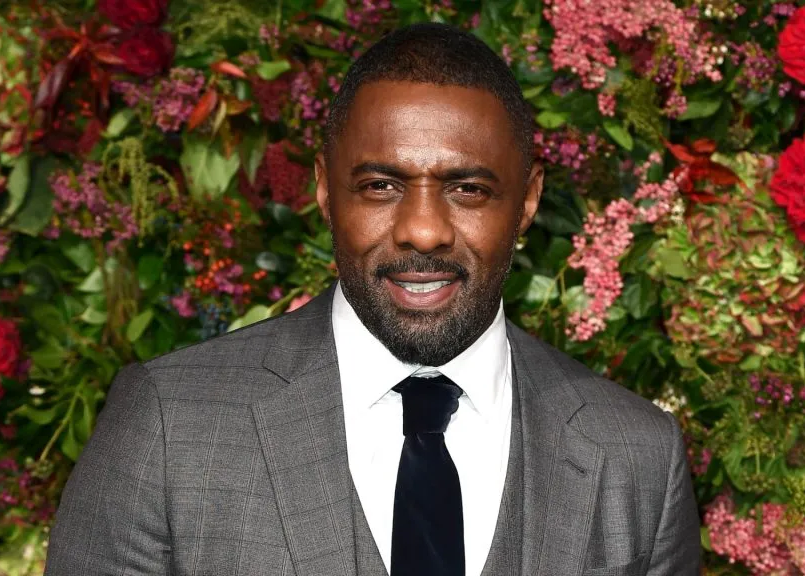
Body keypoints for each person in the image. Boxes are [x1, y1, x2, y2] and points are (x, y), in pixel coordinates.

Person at [45, 22, 700, 576]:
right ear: (326, 189)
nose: (422, 229)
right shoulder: (170, 424)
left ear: (527, 198)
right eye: (382, 186)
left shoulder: (637, 456)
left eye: (468, 189)